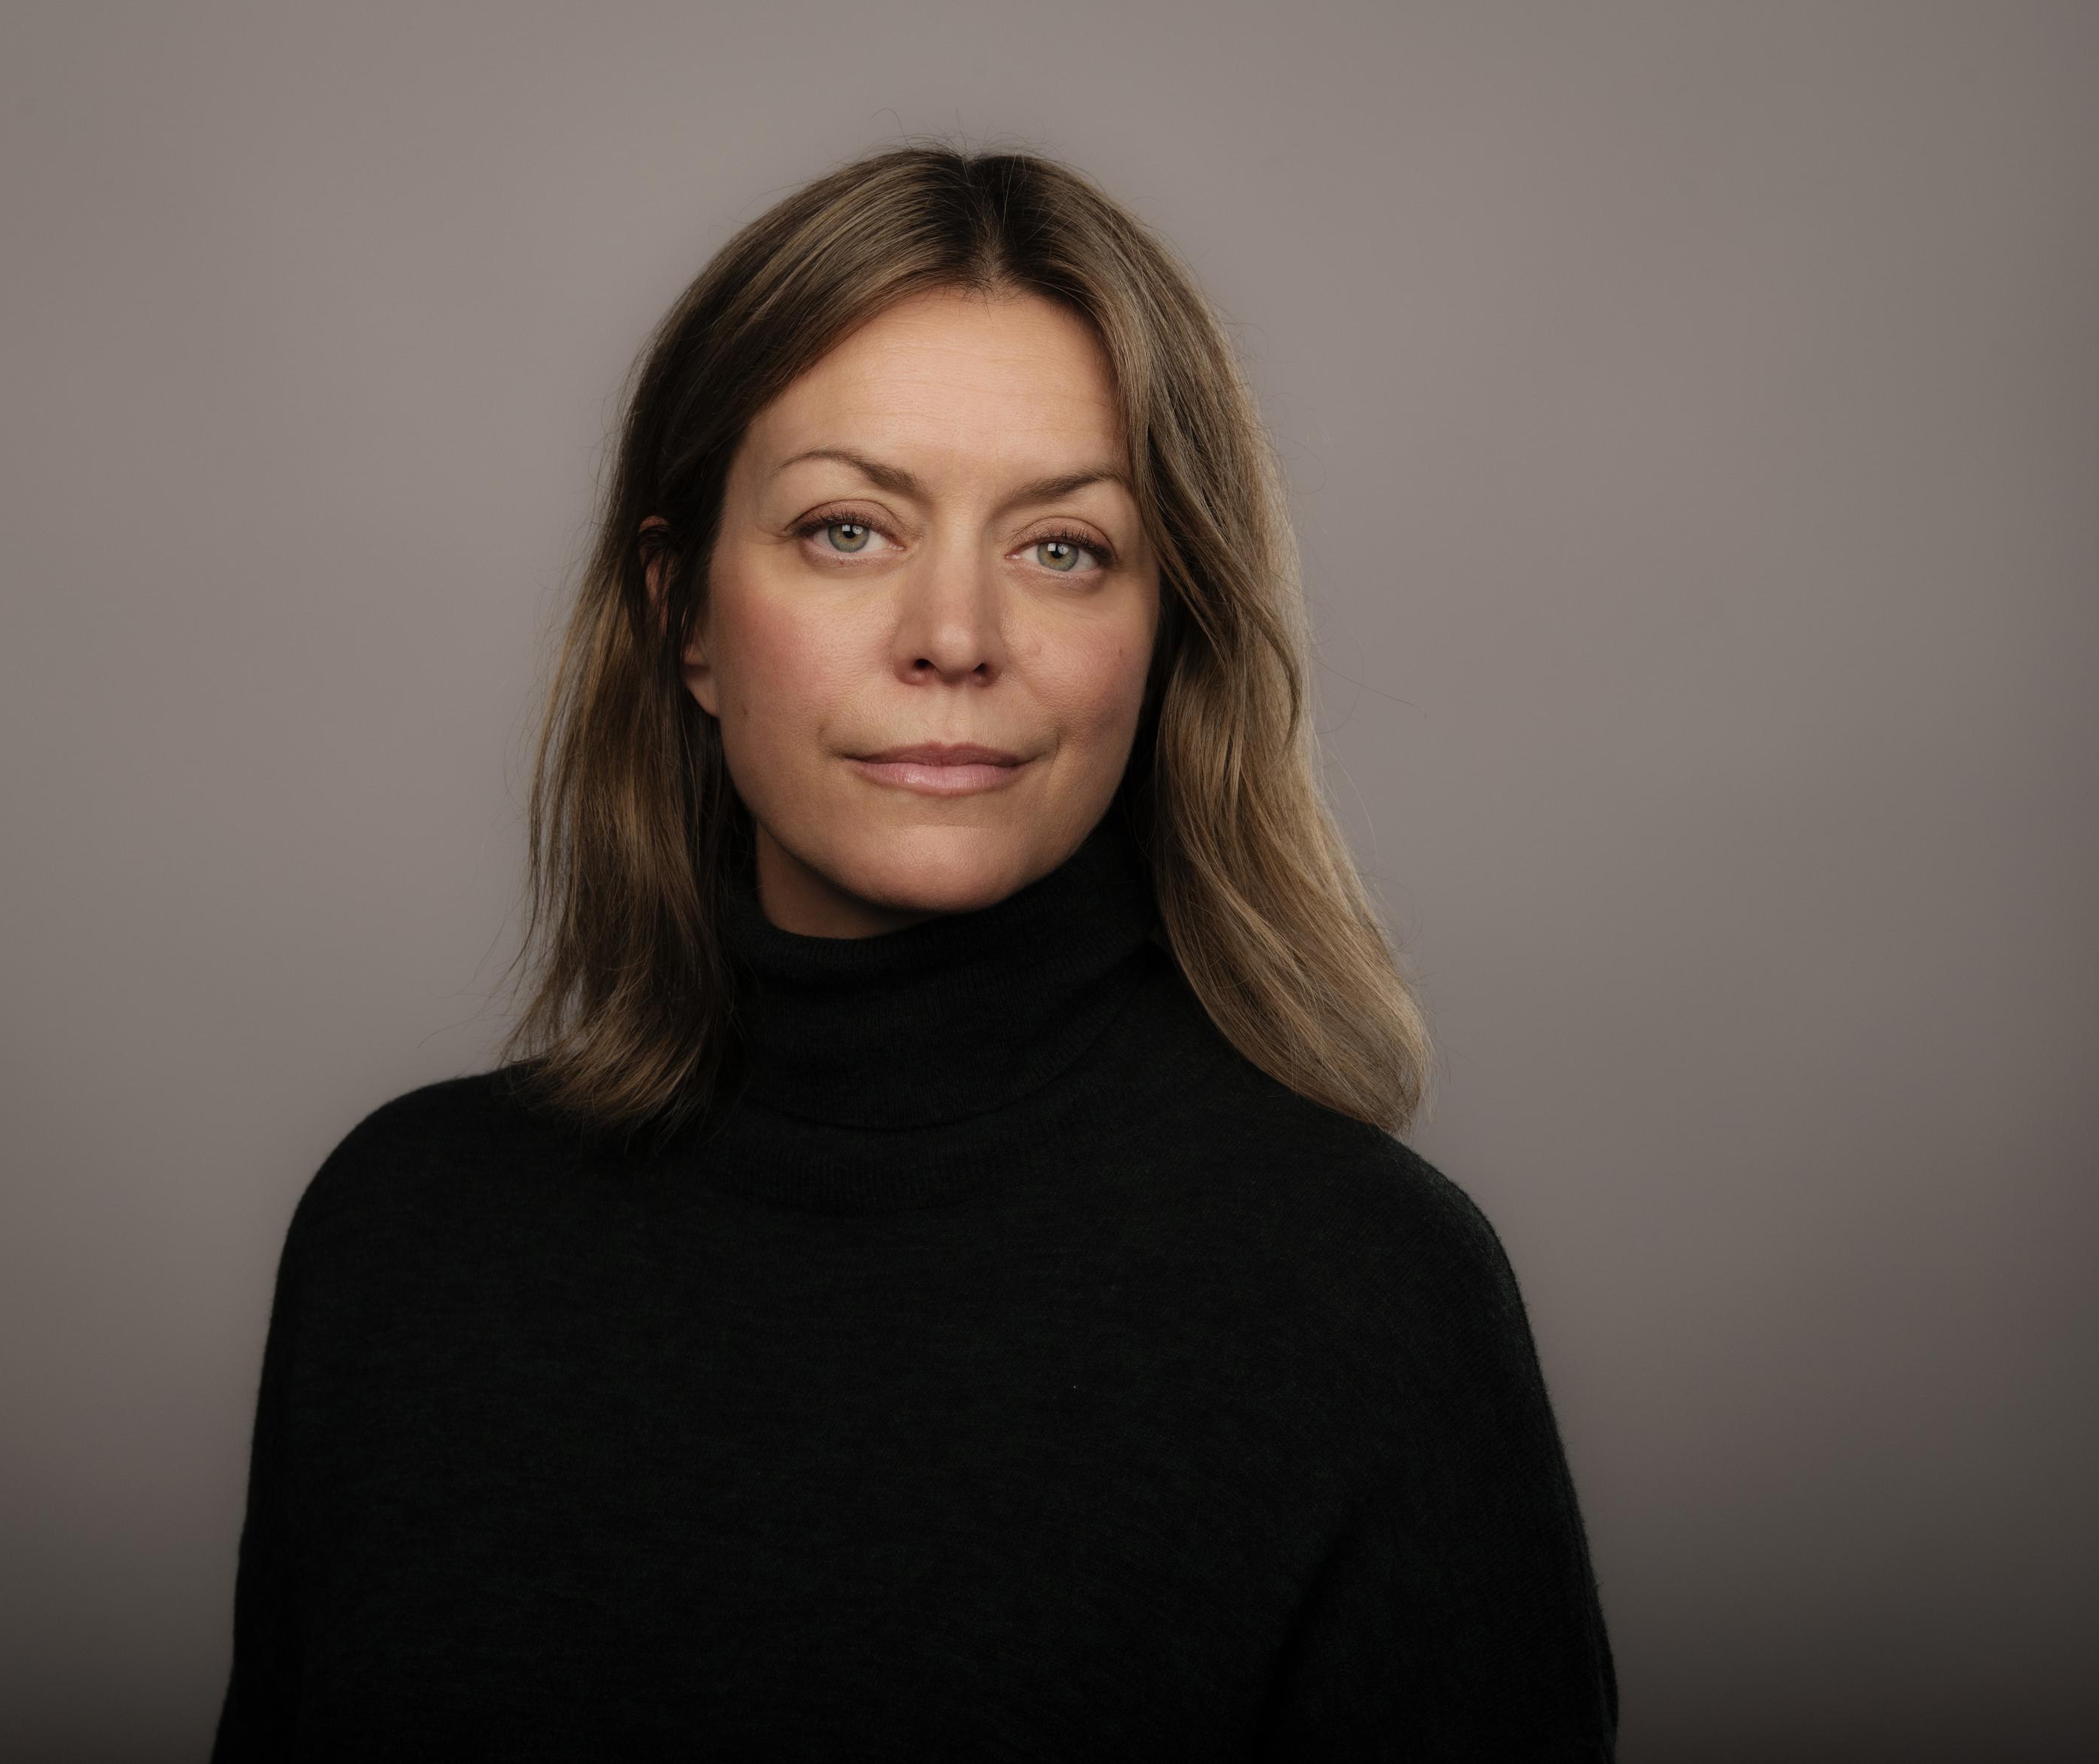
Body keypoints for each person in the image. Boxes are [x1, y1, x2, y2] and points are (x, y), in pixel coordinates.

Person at [209, 144, 1618, 1761]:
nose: (953, 634)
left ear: (1165, 635)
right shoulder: (403, 1237)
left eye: (1063, 547)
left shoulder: (1369, 1297)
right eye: (845, 529)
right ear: (681, 613)